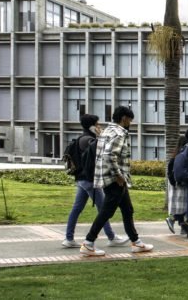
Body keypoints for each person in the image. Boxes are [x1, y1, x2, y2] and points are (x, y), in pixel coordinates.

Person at [80, 106, 153, 256]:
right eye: (130, 120)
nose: (130, 123)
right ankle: (88, 242)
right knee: (107, 211)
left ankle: (136, 242)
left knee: (127, 209)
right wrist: (118, 175)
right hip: (115, 179)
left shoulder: (107, 131)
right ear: (124, 118)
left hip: (108, 177)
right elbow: (109, 155)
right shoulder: (120, 133)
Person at [62, 114, 128, 248]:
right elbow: (101, 155)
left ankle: (69, 238)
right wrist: (101, 137)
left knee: (77, 208)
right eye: (97, 124)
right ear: (92, 126)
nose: (100, 126)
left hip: (82, 180)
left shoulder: (83, 138)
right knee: (104, 209)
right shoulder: (88, 140)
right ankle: (111, 237)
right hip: (89, 180)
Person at [165, 136, 188, 235]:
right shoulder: (182, 155)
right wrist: (175, 182)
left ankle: (182, 225)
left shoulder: (176, 155)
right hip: (178, 183)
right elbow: (170, 169)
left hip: (175, 183)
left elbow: (169, 169)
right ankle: (173, 220)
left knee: (181, 206)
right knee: (183, 205)